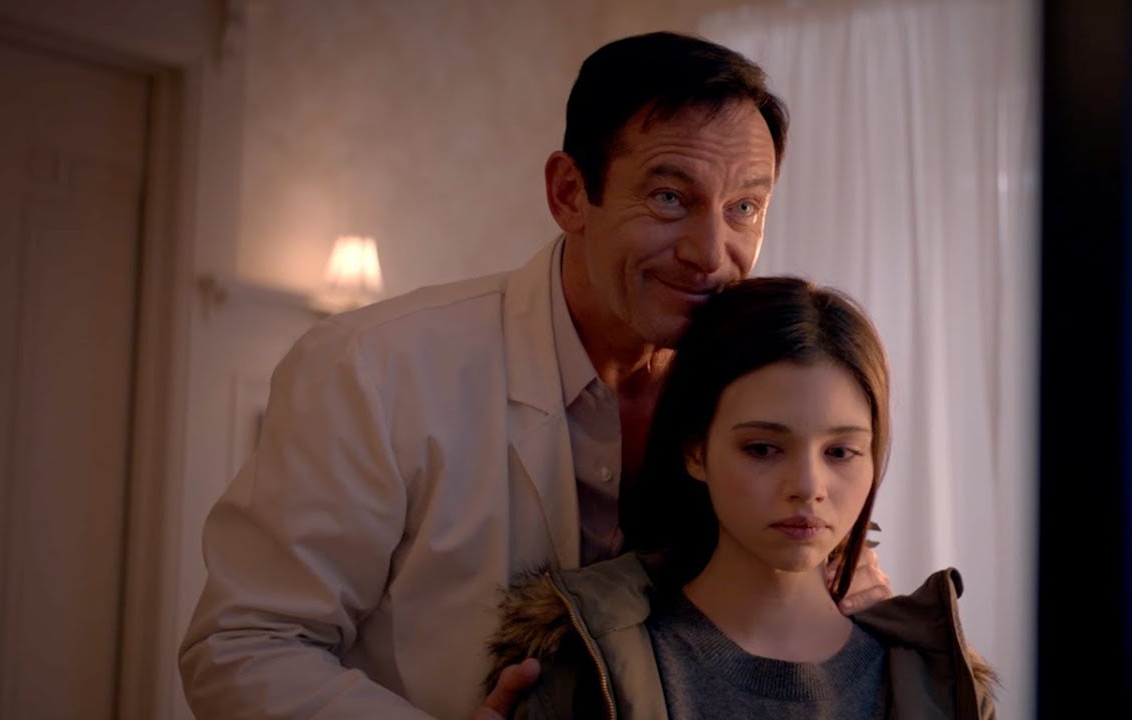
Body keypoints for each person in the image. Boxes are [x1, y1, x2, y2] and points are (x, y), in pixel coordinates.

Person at [179, 31, 893, 720]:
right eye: (669, 198)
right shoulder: (373, 369)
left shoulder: (759, 390)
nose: (711, 252)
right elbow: (244, 647)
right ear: (569, 193)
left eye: (744, 208)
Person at [486, 276, 999, 719]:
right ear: (696, 451)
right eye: (762, 448)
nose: (809, 486)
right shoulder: (585, 664)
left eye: (841, 452)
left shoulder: (940, 688)